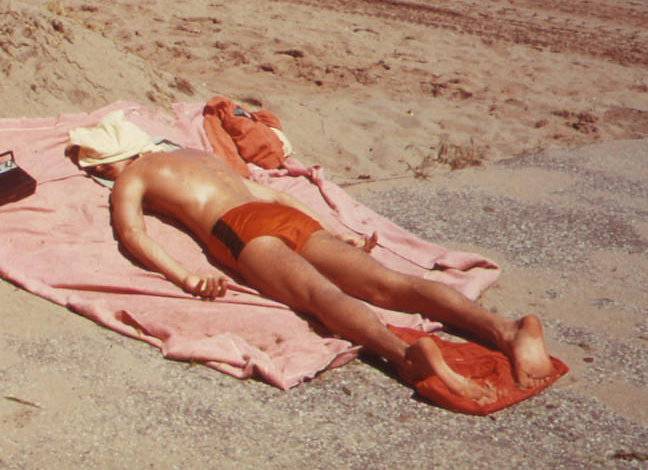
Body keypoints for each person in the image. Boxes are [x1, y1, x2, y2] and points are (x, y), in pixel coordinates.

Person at [68, 110, 555, 403]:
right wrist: (334, 235)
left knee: (321, 298)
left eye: (100, 167)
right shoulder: (199, 156)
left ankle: (406, 355)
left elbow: (133, 236)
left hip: (239, 230)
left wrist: (186, 277)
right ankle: (505, 329)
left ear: (111, 161)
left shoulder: (134, 175)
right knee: (391, 284)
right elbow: (278, 198)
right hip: (282, 215)